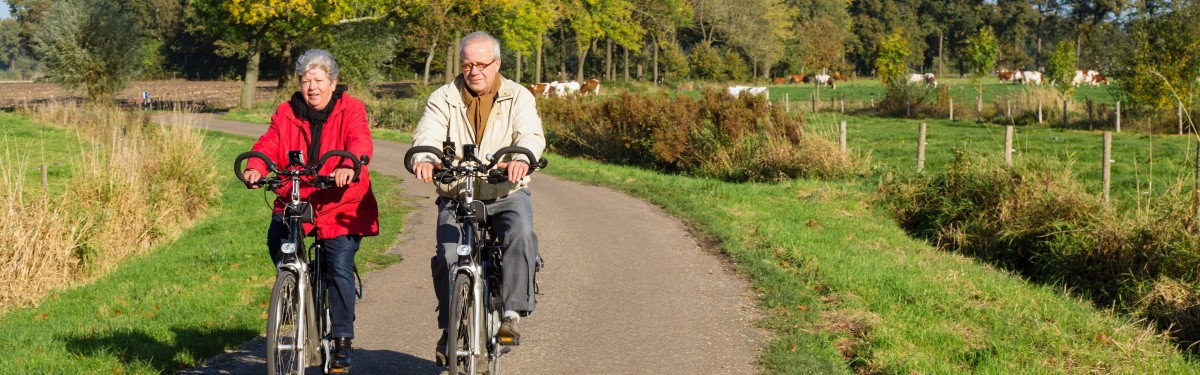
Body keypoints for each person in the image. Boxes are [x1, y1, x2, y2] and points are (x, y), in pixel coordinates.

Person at [408, 31, 546, 365]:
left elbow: (530, 132)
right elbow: (426, 133)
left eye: (482, 63)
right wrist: (423, 158)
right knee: (446, 256)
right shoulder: (443, 97)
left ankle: (512, 313)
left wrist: (522, 156)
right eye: (468, 63)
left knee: (521, 233)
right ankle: (450, 327)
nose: (474, 71)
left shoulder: (519, 96)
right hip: (458, 194)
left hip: (504, 191)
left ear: (497, 64)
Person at [242, 49, 377, 371]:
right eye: (306, 81)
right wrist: (256, 166)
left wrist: (348, 165)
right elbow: (269, 142)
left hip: (340, 199)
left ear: (333, 82)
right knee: (277, 237)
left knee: (338, 263)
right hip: (298, 195)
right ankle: (292, 288)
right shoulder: (287, 111)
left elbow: (359, 141)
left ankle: (342, 338)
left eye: (318, 80)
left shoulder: (352, 108)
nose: (312, 87)